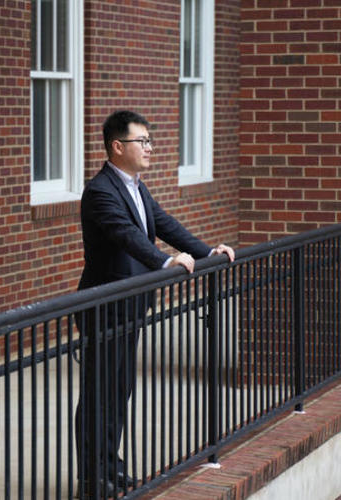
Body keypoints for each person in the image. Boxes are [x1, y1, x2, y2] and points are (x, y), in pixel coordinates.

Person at [74, 110, 234, 497]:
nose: (149, 148)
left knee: (120, 389)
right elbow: (127, 235)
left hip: (130, 306)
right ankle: (92, 480)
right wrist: (165, 262)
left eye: (149, 140)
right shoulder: (101, 191)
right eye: (141, 141)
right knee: (100, 394)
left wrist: (205, 250)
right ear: (117, 146)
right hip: (105, 308)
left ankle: (111, 467)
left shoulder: (135, 185)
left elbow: (162, 222)